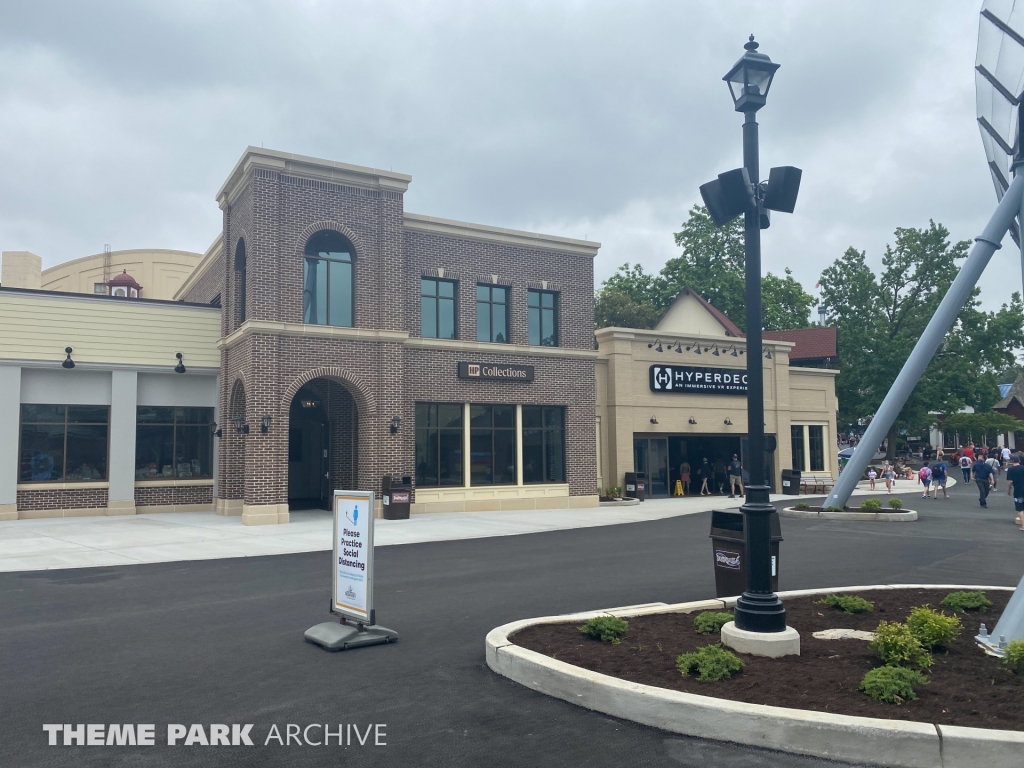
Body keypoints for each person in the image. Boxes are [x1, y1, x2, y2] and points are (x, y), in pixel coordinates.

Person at [1006, 455, 1024, 530]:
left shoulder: (1010, 470)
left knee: (1020, 509)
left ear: (1011, 461)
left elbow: (1010, 481)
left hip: (1018, 491)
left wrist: (1009, 490)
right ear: (1019, 461)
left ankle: (1023, 526)